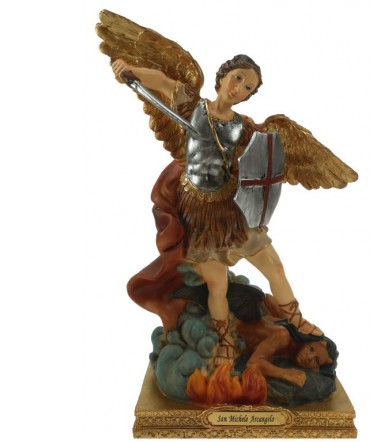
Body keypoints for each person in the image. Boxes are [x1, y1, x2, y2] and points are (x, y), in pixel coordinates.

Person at [111, 55, 324, 365]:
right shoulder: (191, 106)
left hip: (231, 209)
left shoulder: (244, 128)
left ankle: (295, 319)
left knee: (273, 266)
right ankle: (225, 341)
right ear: (222, 76)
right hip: (199, 211)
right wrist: (131, 71)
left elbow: (263, 165)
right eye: (237, 77)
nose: (239, 88)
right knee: (217, 284)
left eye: (248, 87)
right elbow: (161, 81)